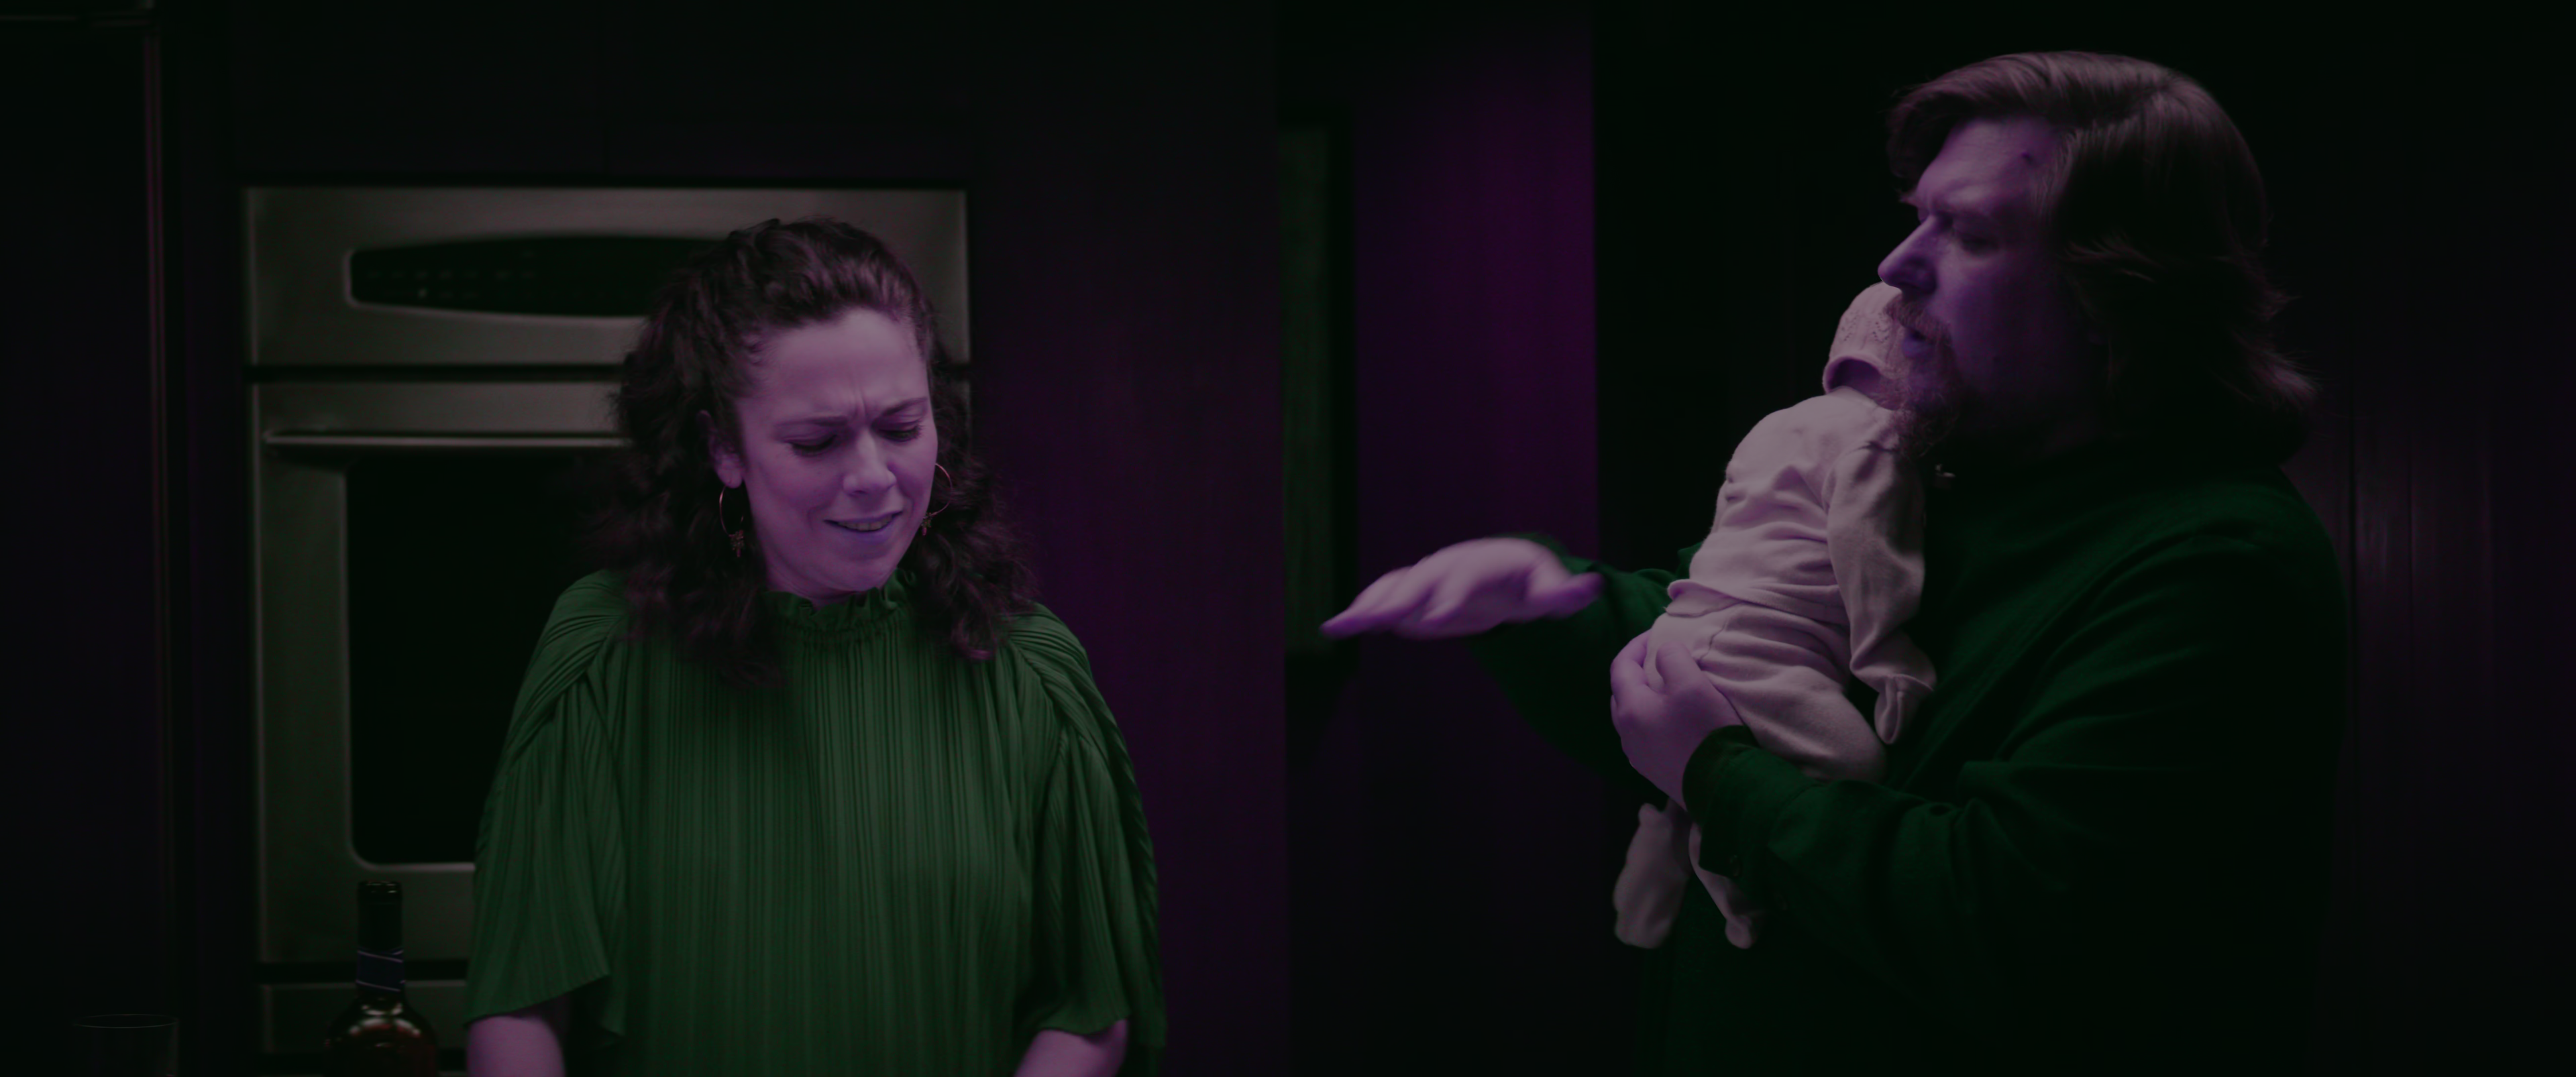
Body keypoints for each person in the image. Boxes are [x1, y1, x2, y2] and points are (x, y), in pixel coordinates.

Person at [1324, 51, 2343, 1073]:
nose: (1898, 264)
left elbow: (2012, 919)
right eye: (1918, 215)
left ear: (2122, 295)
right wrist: (1554, 605)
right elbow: (1747, 646)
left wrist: (1717, 774)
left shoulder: (2220, 562)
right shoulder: (1947, 466)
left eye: (1971, 233)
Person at [461, 218, 1163, 1076]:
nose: (871, 476)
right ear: (724, 447)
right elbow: (520, 1009)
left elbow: (1088, 1015)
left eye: (901, 427)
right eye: (817, 440)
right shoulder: (604, 660)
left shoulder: (1030, 673)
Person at [1608, 281, 1938, 955]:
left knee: (1728, 748)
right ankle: (1723, 881)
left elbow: (1724, 527)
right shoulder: (1877, 440)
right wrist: (1890, 662)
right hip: (1764, 650)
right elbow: (1870, 558)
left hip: (1688, 627)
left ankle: (1664, 830)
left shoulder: (1779, 422)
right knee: (1854, 763)